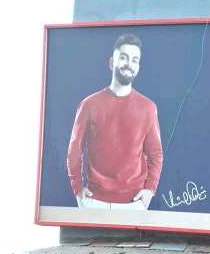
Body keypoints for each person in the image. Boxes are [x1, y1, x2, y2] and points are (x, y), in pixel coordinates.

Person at [67, 33, 163, 210]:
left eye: (135, 60)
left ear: (138, 66)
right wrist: (77, 188)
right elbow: (74, 150)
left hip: (134, 203)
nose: (129, 64)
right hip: (93, 201)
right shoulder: (89, 104)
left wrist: (150, 189)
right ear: (112, 62)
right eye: (124, 57)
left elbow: (155, 154)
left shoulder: (148, 108)